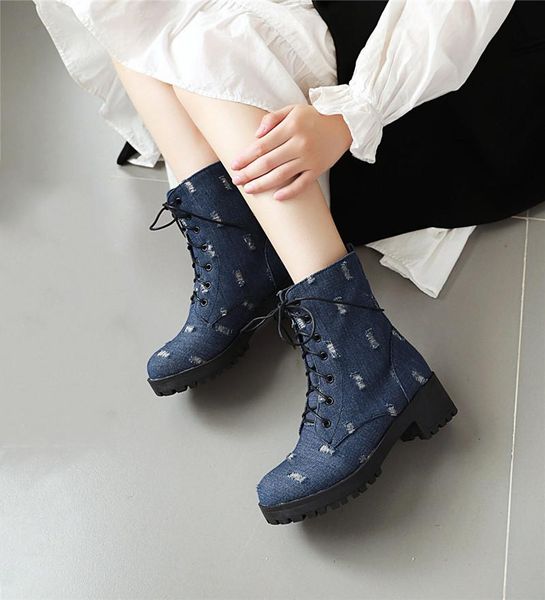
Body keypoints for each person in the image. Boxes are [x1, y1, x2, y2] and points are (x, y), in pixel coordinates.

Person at [33, 0, 543, 525]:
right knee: (140, 15)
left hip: (461, 74)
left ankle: (364, 352)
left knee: (212, 42)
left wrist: (351, 113)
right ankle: (239, 247)